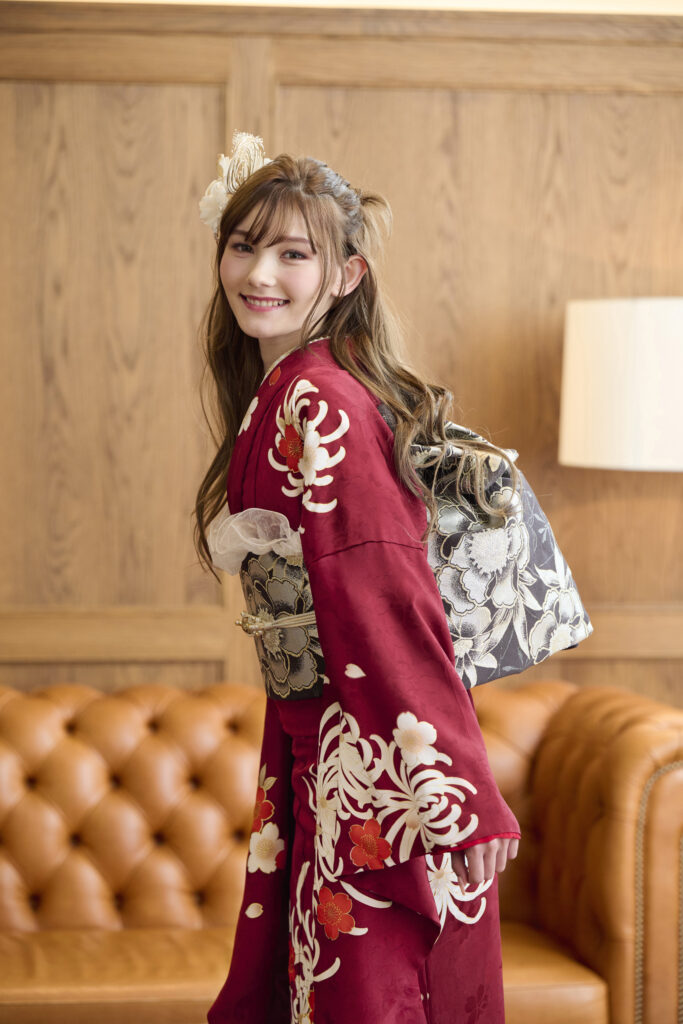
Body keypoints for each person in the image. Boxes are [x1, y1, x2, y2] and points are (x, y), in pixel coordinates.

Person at [194, 132, 522, 1024]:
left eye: (293, 254)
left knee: (369, 998)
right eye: (243, 245)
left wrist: (456, 791)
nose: (259, 273)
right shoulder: (284, 391)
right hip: (330, 745)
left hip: (377, 765)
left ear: (345, 275)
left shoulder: (321, 399)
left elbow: (378, 592)